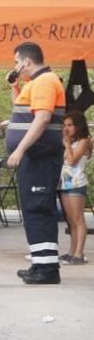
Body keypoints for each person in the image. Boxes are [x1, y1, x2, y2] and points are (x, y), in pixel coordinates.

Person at [6, 42, 67, 284]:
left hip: (39, 156)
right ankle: (41, 263)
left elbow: (41, 119)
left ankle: (47, 270)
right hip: (36, 157)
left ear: (26, 62)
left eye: (15, 63)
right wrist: (15, 86)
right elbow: (22, 111)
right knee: (34, 209)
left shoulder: (45, 81)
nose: (15, 67)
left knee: (39, 208)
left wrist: (20, 149)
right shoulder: (35, 83)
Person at [59, 110, 91, 265]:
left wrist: (66, 144)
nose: (67, 128)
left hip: (76, 182)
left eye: (70, 125)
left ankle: (79, 253)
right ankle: (72, 251)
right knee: (70, 220)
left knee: (78, 219)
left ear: (78, 126)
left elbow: (72, 161)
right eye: (65, 125)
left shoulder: (84, 141)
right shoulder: (70, 142)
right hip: (64, 182)